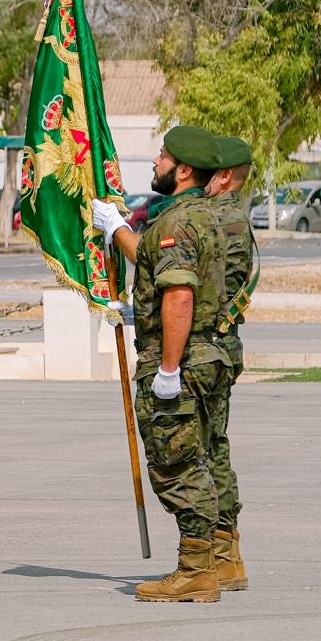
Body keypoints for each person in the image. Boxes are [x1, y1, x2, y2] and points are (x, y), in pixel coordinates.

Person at [92, 125, 230, 602]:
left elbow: (179, 296)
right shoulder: (198, 214)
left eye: (163, 156)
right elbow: (153, 262)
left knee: (175, 465)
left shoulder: (177, 222)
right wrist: (118, 229)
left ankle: (196, 571)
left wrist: (168, 369)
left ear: (184, 170)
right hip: (205, 355)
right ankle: (208, 562)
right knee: (196, 459)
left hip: (181, 361)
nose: (155, 161)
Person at [202, 134, 255, 591]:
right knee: (214, 446)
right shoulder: (226, 215)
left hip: (210, 348)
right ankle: (226, 554)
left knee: (205, 449)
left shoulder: (224, 219)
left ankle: (219, 553)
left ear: (222, 176)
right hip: (219, 347)